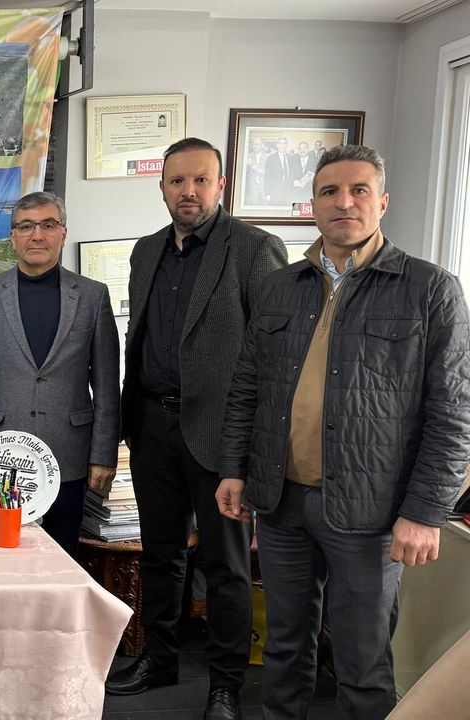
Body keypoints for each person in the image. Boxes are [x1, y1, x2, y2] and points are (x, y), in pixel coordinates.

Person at [216, 145, 470, 720]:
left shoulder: (429, 289)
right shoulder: (280, 287)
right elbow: (248, 387)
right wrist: (234, 469)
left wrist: (425, 512)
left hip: (370, 510)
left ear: (383, 202)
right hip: (281, 501)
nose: (344, 202)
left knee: (363, 661)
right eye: (329, 191)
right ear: (313, 205)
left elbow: (454, 412)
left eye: (359, 191)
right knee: (284, 646)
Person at [105, 137, 287, 720]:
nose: (189, 191)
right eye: (177, 181)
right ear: (162, 187)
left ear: (220, 185)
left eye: (200, 180)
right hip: (152, 425)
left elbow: (272, 355)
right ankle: (159, 660)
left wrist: (250, 448)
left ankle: (224, 685)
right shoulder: (146, 251)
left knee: (225, 566)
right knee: (160, 554)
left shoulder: (254, 249)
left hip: (220, 434)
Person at [0, 192, 119, 557]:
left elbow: (107, 386)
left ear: (63, 233)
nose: (37, 235)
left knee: (62, 558)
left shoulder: (93, 297)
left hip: (69, 456)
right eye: (26, 226)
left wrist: (103, 454)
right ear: (12, 236)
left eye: (48, 225)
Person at [263, 137, 295, 206]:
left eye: (284, 143)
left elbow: (292, 174)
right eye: (280, 143)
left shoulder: (291, 158)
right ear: (277, 145)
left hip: (288, 193)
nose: (282, 145)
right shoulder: (271, 158)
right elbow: (267, 177)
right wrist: (267, 193)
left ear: (286, 145)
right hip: (275, 194)